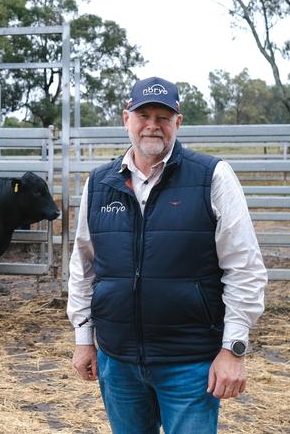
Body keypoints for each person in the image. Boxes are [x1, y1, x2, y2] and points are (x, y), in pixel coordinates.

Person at [67, 76, 267, 434]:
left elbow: (245, 268)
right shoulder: (98, 184)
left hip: (189, 363)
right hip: (118, 360)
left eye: (163, 116)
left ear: (179, 122)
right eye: (144, 115)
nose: (152, 126)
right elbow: (83, 269)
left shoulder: (212, 176)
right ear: (126, 118)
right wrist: (84, 341)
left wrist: (233, 349)